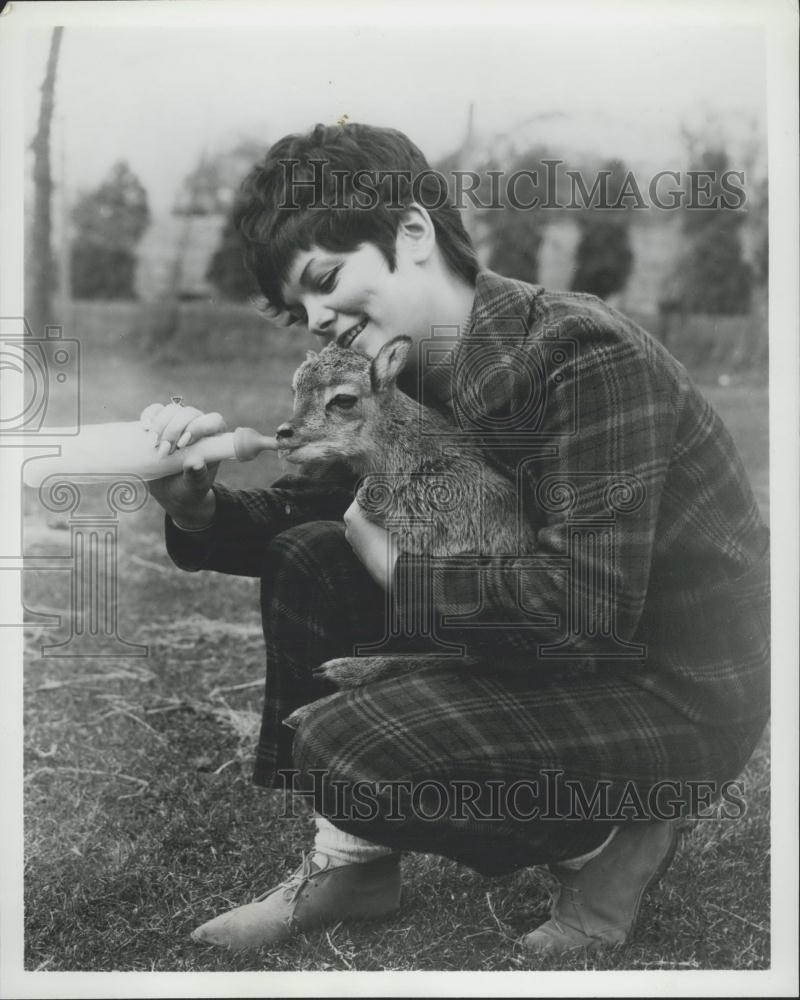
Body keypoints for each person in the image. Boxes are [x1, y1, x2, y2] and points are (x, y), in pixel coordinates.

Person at [143, 122, 770, 955]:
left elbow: (582, 610)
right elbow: (301, 514)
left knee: (348, 747)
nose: (317, 319)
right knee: (309, 558)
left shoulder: (582, 357)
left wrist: (394, 566)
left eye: (326, 281)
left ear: (411, 231)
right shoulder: (402, 375)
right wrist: (194, 508)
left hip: (665, 688)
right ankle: (354, 866)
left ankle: (617, 837)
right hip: (562, 660)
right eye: (301, 309)